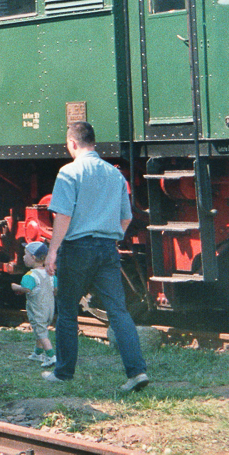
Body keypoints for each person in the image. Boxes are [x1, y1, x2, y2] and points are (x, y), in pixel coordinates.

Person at [42, 122, 149, 392]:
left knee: (67, 311)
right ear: (93, 143)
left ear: (73, 144)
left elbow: (63, 216)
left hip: (77, 249)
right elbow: (127, 217)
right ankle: (137, 372)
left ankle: (63, 373)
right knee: (119, 312)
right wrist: (112, 237)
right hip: (107, 249)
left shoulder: (68, 172)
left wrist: (52, 250)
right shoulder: (115, 176)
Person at [12, 240, 56, 367]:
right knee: (40, 329)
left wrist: (15, 287)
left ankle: (51, 356)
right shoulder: (50, 273)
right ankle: (38, 353)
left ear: (33, 257)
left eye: (25, 255)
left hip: (37, 309)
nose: (23, 257)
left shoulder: (30, 275)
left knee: (41, 332)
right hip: (49, 309)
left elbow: (26, 289)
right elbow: (56, 289)